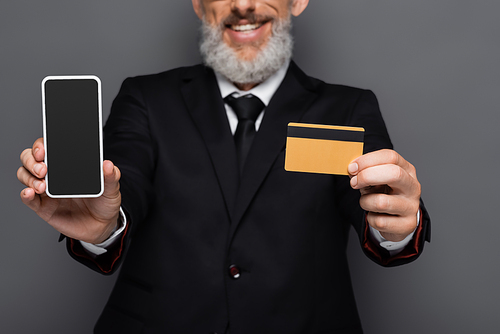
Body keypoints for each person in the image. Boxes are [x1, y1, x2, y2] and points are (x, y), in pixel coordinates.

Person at [17, 0, 430, 333]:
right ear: (199, 5)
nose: (244, 5)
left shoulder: (348, 108)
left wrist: (397, 224)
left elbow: (376, 204)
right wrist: (105, 225)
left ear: (298, 1)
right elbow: (128, 182)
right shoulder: (145, 97)